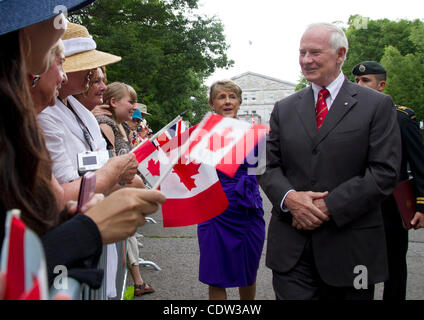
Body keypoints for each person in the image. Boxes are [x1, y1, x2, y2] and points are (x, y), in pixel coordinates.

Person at [0, 0, 165, 290]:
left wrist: (72, 216)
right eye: (59, 61)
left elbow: (47, 203)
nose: (93, 79)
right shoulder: (28, 122)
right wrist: (88, 229)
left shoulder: (25, 125)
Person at [259, 23, 402, 300]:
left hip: (352, 250)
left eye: (315, 52)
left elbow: (384, 172)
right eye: (302, 52)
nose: (306, 60)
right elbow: (266, 166)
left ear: (340, 54)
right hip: (292, 250)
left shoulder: (376, 105)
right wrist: (290, 199)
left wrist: (327, 206)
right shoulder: (285, 108)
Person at [352, 61, 424, 300]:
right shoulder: (349, 116)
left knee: (394, 265)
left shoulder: (402, 118)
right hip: (360, 204)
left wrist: (421, 204)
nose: (359, 85)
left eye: (366, 81)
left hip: (392, 206)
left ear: (381, 85)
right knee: (361, 266)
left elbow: (419, 163)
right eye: (357, 81)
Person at [197, 80, 265, 300]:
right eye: (221, 97)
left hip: (247, 210)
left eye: (232, 96)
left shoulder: (255, 133)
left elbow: (262, 172)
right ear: (211, 103)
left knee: (248, 271)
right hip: (214, 210)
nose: (227, 101)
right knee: (216, 274)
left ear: (239, 102)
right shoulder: (201, 135)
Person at [97, 82, 154, 296]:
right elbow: (111, 169)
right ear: (113, 102)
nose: (135, 107)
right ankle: (137, 283)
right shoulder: (105, 124)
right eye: (131, 102)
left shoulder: (116, 125)